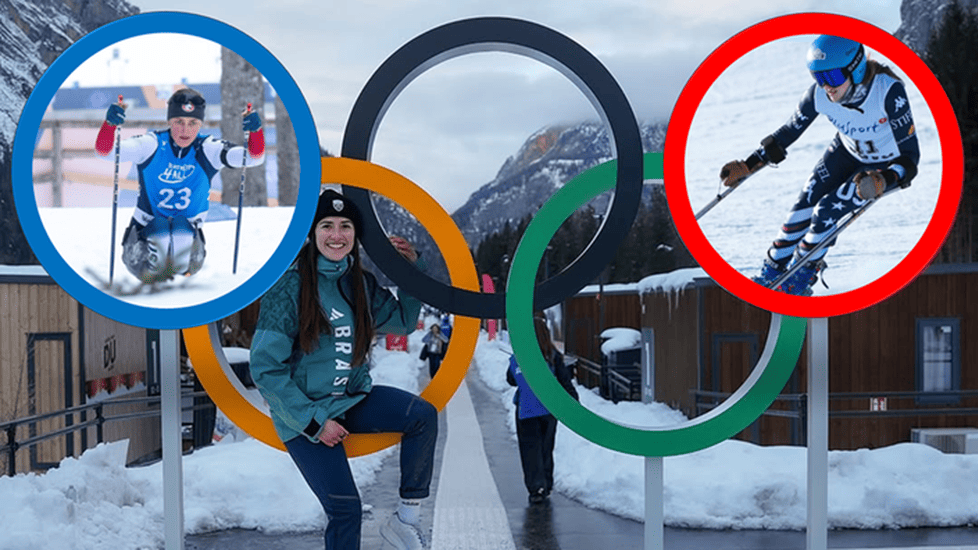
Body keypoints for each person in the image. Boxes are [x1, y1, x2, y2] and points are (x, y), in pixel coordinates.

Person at [248, 189, 435, 550]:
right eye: (327, 226)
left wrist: (412, 272)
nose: (337, 235)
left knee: (422, 417)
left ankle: (405, 522)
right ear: (312, 233)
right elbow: (265, 368)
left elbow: (402, 321)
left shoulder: (359, 283)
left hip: (351, 401)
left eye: (346, 225)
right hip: (304, 416)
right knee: (345, 510)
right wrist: (314, 421)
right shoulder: (289, 286)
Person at [719, 35, 920, 296]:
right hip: (845, 152)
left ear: (856, 68)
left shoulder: (887, 91)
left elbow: (910, 156)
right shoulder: (819, 95)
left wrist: (886, 180)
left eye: (834, 77)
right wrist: (748, 165)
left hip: (881, 166)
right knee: (801, 208)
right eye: (819, 77)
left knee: (826, 210)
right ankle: (772, 270)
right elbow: (786, 135)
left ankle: (801, 276)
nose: (828, 87)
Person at [94, 87, 266, 283]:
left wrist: (255, 132)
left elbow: (253, 158)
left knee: (180, 228)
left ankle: (179, 279)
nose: (185, 130)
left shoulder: (207, 148)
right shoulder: (152, 144)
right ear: (169, 121)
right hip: (143, 234)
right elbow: (105, 152)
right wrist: (109, 126)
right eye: (179, 122)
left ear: (201, 123)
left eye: (193, 123)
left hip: (188, 238)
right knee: (160, 228)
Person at [506, 315, 578, 504]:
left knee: (530, 450)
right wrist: (574, 406)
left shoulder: (520, 356)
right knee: (546, 448)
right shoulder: (553, 356)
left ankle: (536, 487)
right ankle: (546, 484)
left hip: (526, 411)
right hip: (549, 410)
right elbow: (565, 382)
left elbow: (511, 380)